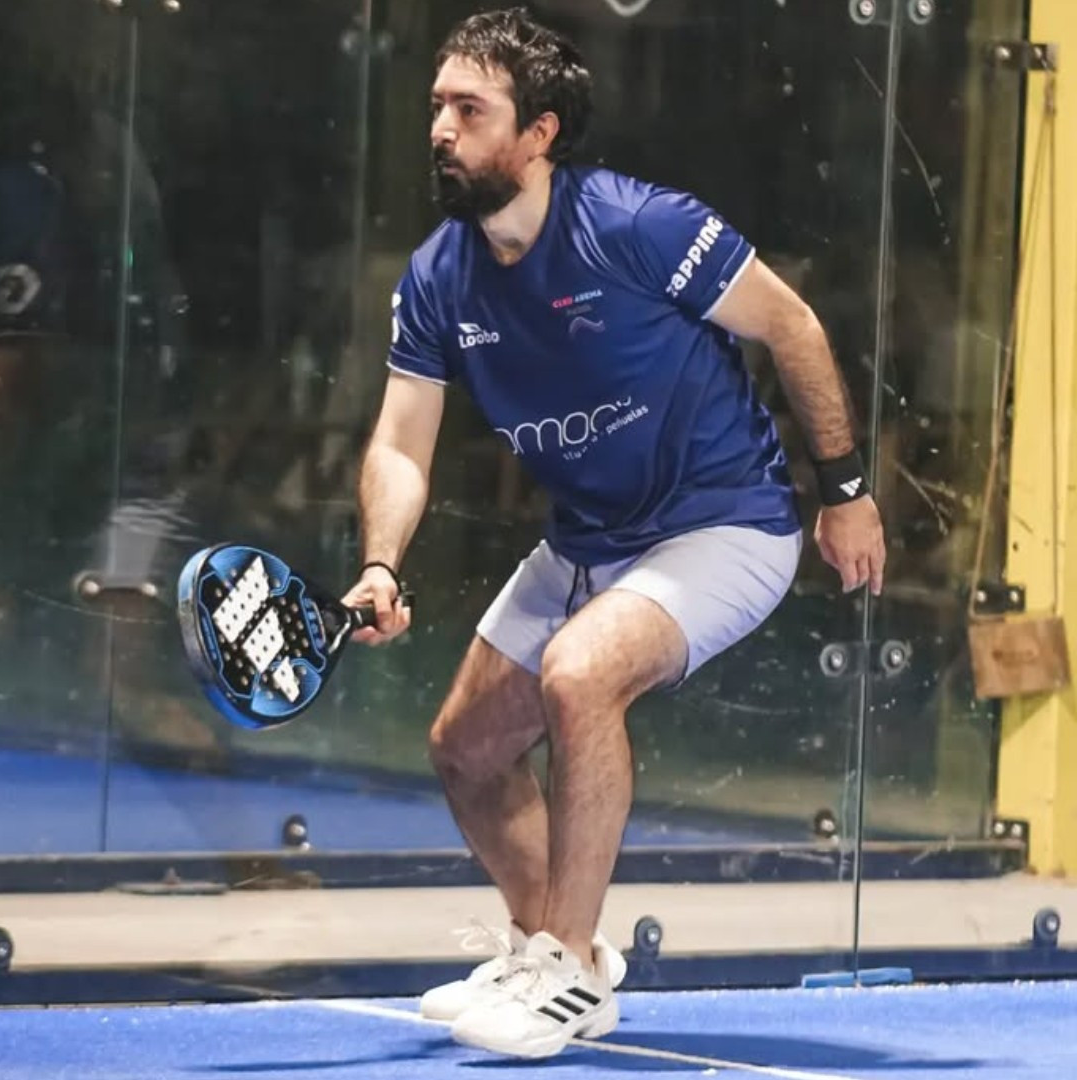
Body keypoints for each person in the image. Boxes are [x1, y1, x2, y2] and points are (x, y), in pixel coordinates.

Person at [343, 7, 885, 1060]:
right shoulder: (438, 276)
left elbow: (793, 326)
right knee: (466, 751)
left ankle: (567, 969)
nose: (440, 129)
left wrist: (847, 491)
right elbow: (401, 443)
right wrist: (379, 565)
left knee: (581, 673)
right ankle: (550, 950)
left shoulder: (640, 227)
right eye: (437, 107)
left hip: (726, 522)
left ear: (538, 133)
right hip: (590, 540)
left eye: (470, 110)